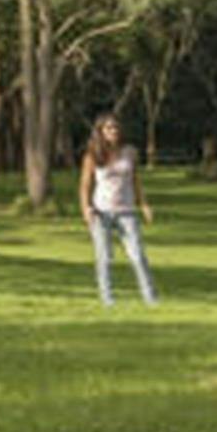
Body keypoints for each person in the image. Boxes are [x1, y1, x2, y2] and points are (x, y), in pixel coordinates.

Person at [78, 113, 158, 307]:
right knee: (104, 257)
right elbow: (85, 186)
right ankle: (108, 299)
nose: (113, 131)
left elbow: (136, 181)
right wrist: (86, 209)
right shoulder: (92, 155)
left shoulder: (129, 152)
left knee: (138, 255)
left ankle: (150, 298)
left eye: (115, 127)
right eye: (108, 128)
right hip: (101, 212)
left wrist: (144, 205)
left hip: (127, 211)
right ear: (101, 132)